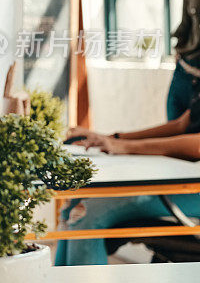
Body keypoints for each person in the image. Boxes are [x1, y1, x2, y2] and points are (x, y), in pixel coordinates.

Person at [55, 113, 200, 266]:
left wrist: (123, 146)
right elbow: (181, 124)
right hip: (183, 181)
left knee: (85, 213)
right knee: (71, 207)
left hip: (193, 188)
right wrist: (115, 139)